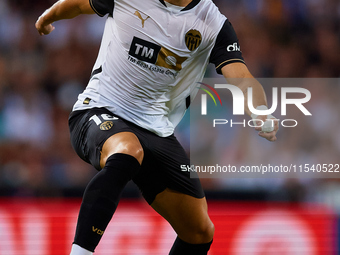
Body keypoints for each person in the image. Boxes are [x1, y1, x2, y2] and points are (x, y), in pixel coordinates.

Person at [35, 0, 279, 254]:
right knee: (127, 149)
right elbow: (77, 4)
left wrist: (260, 111)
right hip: (99, 110)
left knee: (199, 231)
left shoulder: (213, 24)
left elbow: (241, 78)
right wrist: (48, 17)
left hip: (156, 131)